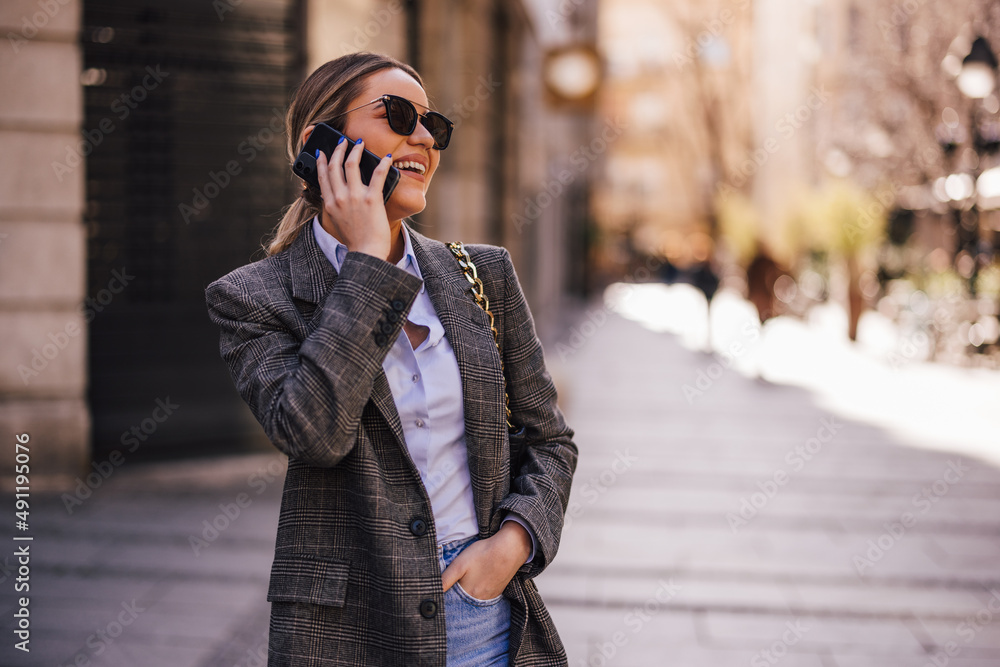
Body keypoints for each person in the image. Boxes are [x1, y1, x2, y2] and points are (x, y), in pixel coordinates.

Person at [204, 52, 578, 667]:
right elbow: (314, 434)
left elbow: (550, 441)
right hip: (345, 633)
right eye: (399, 116)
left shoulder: (484, 275)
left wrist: (511, 545)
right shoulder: (253, 297)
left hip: (482, 617)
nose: (425, 138)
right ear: (320, 143)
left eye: (434, 125)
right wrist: (369, 264)